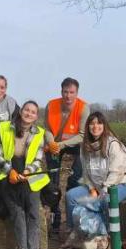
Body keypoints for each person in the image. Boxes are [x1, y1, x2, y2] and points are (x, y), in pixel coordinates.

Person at [60, 111, 126, 249]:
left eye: (99, 123)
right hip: (96, 186)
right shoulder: (85, 146)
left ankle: (110, 239)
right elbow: (85, 173)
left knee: (107, 200)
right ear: (87, 127)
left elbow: (116, 172)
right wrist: (92, 188)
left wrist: (103, 190)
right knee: (71, 196)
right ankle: (74, 233)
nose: (95, 126)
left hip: (118, 184)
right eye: (92, 123)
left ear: (104, 125)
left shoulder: (113, 144)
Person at [0, 101, 50, 249]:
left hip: (30, 176)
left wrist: (27, 171)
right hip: (9, 175)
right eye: (27, 110)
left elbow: (38, 159)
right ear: (21, 111)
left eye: (33, 112)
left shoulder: (39, 133)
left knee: (33, 212)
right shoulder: (4, 128)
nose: (29, 114)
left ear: (36, 116)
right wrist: (10, 171)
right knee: (17, 213)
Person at [43, 77, 88, 233]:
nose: (68, 96)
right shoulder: (51, 105)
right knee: (53, 180)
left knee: (76, 177)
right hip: (55, 146)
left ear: (77, 93)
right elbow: (47, 129)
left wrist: (61, 144)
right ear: (61, 91)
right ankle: (55, 215)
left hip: (76, 145)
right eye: (65, 92)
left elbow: (82, 135)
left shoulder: (83, 108)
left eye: (71, 92)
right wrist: (51, 143)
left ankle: (72, 215)